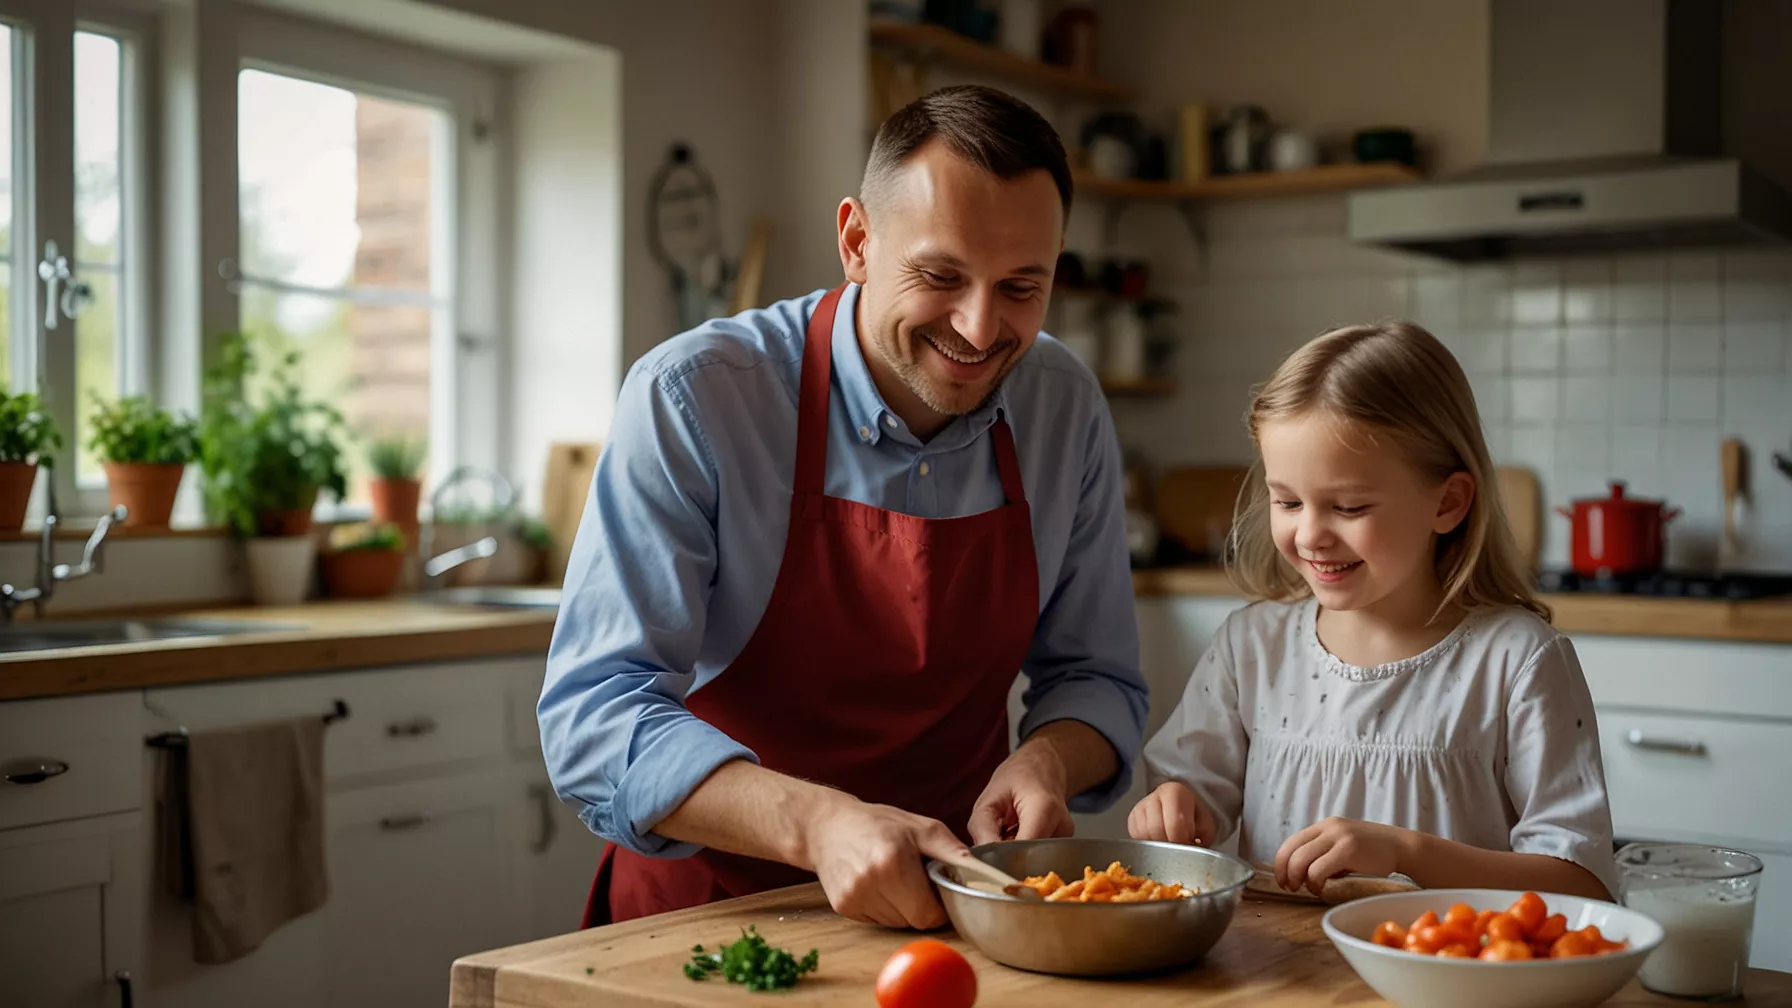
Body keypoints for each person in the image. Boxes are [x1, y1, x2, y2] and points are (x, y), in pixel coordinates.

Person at [541, 84, 1148, 931]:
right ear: (858, 241)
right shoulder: (696, 398)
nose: (980, 329)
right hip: (715, 921)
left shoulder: (1064, 405)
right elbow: (594, 716)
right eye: (941, 276)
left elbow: (1096, 676)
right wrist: (820, 823)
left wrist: (1047, 760)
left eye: (1021, 286)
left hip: (955, 912)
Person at [1129, 321, 1618, 901]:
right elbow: (1187, 802)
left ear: (1449, 502)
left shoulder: (1517, 660)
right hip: (1276, 979)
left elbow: (1581, 886)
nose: (1310, 534)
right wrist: (1172, 811)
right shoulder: (1251, 646)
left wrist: (1407, 854)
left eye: (1350, 506)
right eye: (1286, 501)